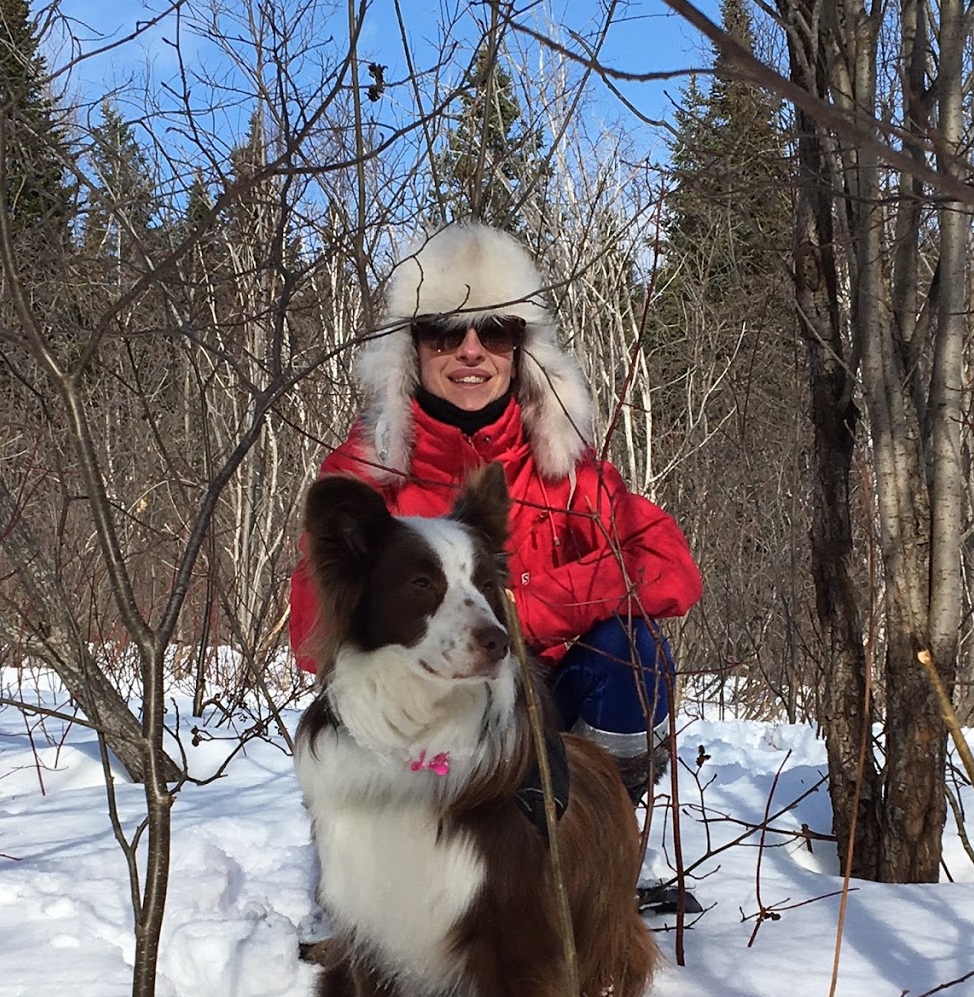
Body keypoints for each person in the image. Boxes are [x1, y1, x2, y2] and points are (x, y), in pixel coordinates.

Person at [289, 221, 702, 809]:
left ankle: (596, 827)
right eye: (443, 330)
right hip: (422, 712)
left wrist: (518, 609)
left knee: (632, 651)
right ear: (411, 350)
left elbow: (669, 565)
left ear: (522, 351)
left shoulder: (563, 468)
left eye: (497, 331)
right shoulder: (366, 474)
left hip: (551, 699)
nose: (472, 350)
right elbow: (313, 634)